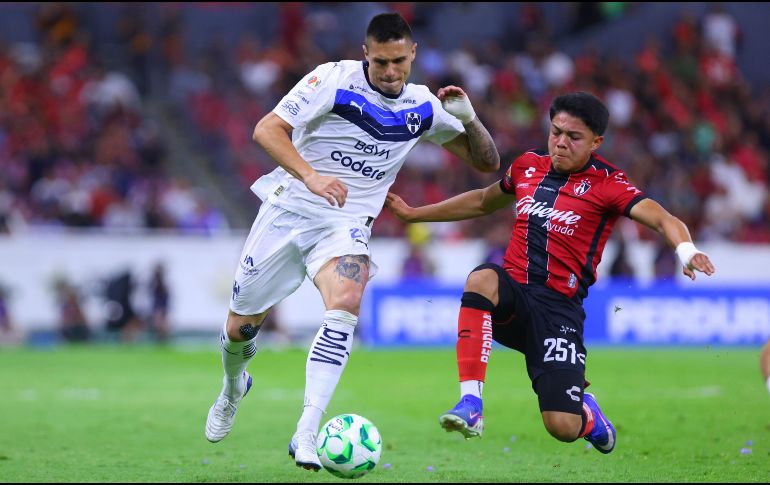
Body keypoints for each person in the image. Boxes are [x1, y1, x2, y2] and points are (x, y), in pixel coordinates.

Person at [204, 12, 500, 471]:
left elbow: (487, 163)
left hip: (346, 224)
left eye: (399, 61)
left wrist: (471, 118)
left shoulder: (423, 106)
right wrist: (311, 176)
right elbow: (267, 129)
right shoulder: (333, 80)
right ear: (366, 54)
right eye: (380, 61)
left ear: (413, 54)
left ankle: (306, 431)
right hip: (289, 212)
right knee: (240, 328)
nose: (390, 71)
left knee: (345, 303)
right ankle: (233, 386)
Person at [385, 92, 715, 454]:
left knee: (562, 426)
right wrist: (415, 214)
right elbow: (482, 201)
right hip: (513, 298)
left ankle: (587, 415)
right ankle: (471, 404)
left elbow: (663, 219)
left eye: (574, 137)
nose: (560, 142)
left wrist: (686, 250)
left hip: (558, 312)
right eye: (556, 132)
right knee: (482, 279)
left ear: (595, 142)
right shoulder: (527, 166)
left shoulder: (609, 184)